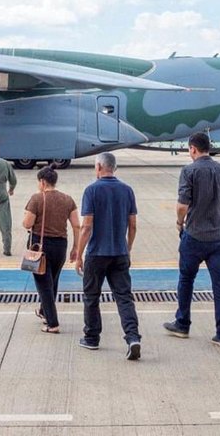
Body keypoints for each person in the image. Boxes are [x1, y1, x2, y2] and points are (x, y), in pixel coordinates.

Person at [163, 132, 220, 347]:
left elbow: (182, 204)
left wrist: (179, 222)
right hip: (219, 235)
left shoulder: (189, 171)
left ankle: (182, 323)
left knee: (186, 279)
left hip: (195, 235)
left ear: (193, 149)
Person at [75, 152, 142, 360]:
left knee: (91, 296)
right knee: (124, 297)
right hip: (119, 252)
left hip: (97, 253)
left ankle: (92, 337)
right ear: (114, 168)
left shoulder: (91, 191)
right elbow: (133, 225)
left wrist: (78, 255)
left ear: (98, 167)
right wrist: (127, 247)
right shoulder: (127, 190)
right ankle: (132, 337)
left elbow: (86, 226)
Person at [21, 164, 81, 333]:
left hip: (41, 248)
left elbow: (27, 223)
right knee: (52, 281)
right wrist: (76, 247)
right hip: (61, 246)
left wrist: (25, 220)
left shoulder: (37, 199)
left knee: (43, 285)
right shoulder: (68, 199)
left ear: (42, 182)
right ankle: (43, 311)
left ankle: (52, 323)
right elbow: (77, 225)